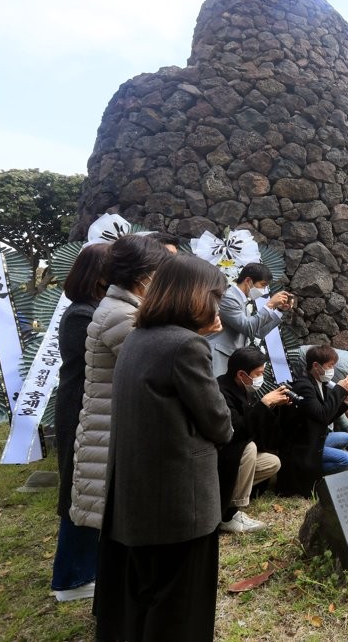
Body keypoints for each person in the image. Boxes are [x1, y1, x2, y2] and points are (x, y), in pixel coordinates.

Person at [94, 254, 234, 641]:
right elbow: (220, 423)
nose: (218, 307)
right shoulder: (186, 345)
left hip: (138, 498)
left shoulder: (139, 336)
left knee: (148, 596)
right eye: (215, 297)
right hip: (180, 503)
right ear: (195, 296)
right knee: (181, 607)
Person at [69, 235, 170, 533]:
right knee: (114, 522)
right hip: (111, 431)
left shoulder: (122, 308)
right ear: (144, 275)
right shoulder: (122, 315)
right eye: (160, 273)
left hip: (110, 427)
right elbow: (157, 371)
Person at [50, 243, 109, 602]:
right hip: (78, 410)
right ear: (100, 274)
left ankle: (84, 570)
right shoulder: (81, 315)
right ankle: (70, 579)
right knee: (78, 491)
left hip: (91, 408)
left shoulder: (93, 310)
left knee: (88, 490)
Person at [216, 347, 290, 534]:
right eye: (258, 373)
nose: (260, 378)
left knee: (272, 463)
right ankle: (228, 515)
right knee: (248, 448)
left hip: (235, 454)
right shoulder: (220, 391)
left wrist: (273, 406)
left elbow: (257, 428)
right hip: (221, 455)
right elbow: (236, 431)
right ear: (241, 374)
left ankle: (227, 499)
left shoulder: (243, 388)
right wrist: (264, 404)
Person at [276, 346, 348, 497]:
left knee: (346, 436)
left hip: (313, 435)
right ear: (316, 366)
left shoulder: (319, 384)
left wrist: (345, 402)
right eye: (330, 366)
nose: (332, 370)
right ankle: (315, 473)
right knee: (346, 459)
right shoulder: (304, 386)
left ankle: (320, 461)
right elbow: (322, 415)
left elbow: (325, 418)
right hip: (302, 444)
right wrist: (339, 390)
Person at [207, 262, 293, 377]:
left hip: (231, 359)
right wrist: (270, 304)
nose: (264, 290)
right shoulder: (228, 297)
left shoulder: (242, 301)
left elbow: (258, 332)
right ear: (248, 281)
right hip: (218, 356)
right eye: (263, 285)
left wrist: (279, 310)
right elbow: (248, 328)